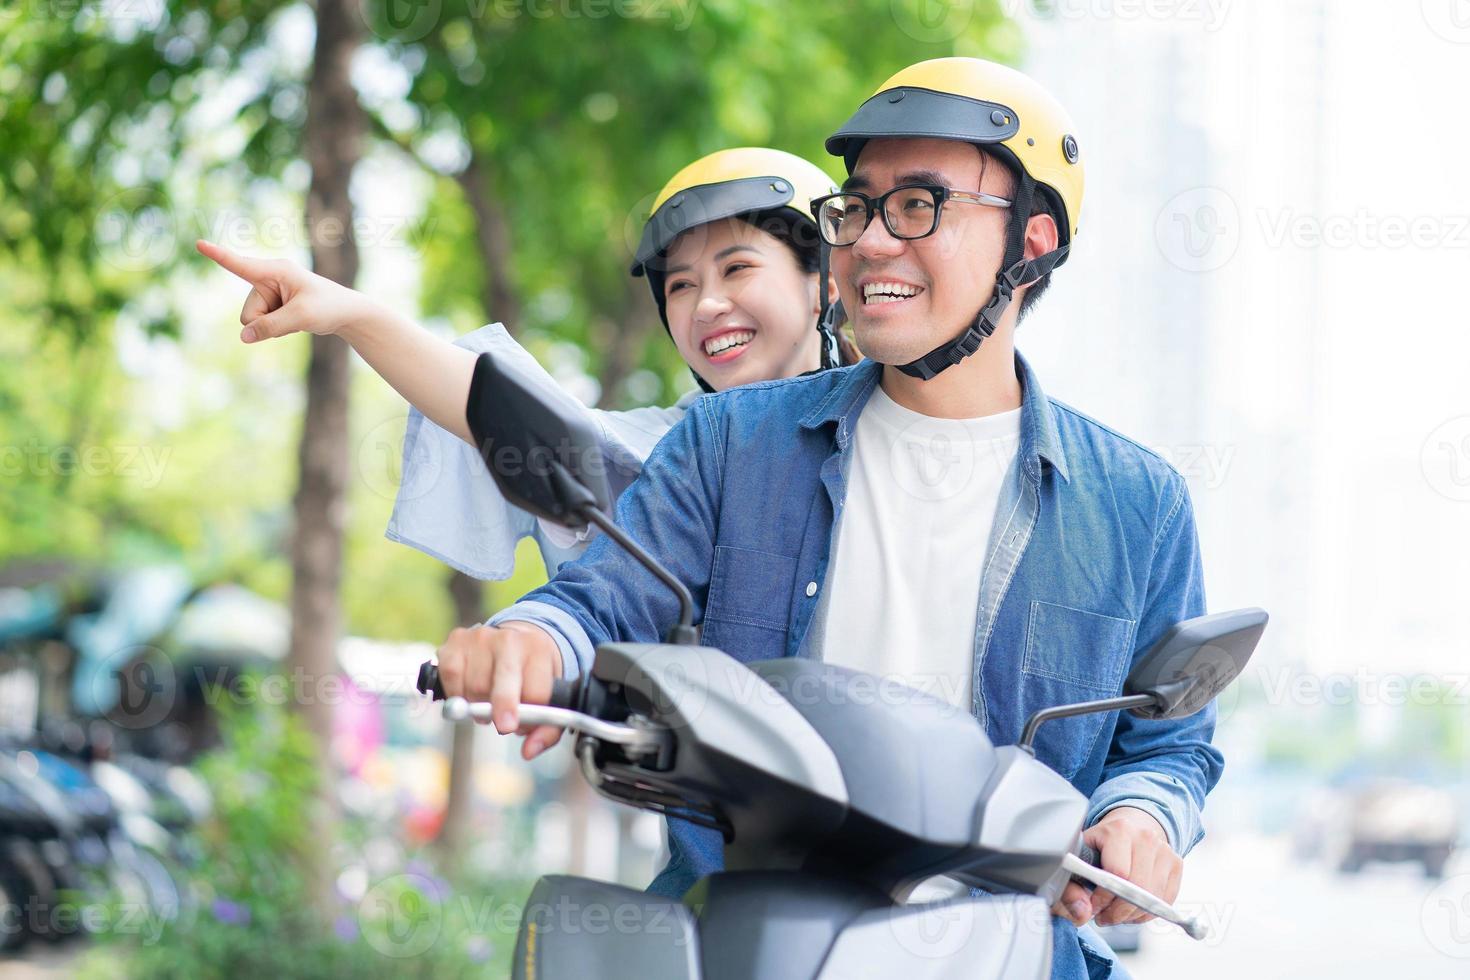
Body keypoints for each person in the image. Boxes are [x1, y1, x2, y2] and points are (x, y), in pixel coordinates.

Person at [432, 57, 1220, 980]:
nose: (872, 241)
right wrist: (531, 639)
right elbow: (604, 599)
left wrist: (1141, 817)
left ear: (1033, 240)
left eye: (920, 204)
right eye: (856, 208)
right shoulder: (729, 441)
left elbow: (1168, 745)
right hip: (739, 932)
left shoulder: (1139, 502)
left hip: (1004, 950)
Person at [196, 146, 857, 580]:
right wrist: (350, 314)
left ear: (825, 283)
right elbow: (518, 416)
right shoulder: (678, 451)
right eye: (680, 285)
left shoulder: (896, 426)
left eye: (737, 267)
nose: (707, 304)